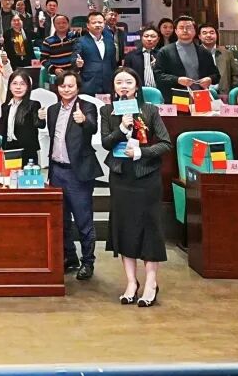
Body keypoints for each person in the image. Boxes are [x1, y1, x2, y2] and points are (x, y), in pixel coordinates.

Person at [100, 67, 172, 307]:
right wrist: (122, 128)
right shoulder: (107, 111)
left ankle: (151, 282)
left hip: (146, 177)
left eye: (128, 82)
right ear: (114, 87)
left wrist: (142, 152)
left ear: (137, 86)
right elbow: (106, 143)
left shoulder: (149, 110)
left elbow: (165, 143)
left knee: (149, 228)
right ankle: (131, 282)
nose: (124, 86)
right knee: (125, 228)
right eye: (119, 82)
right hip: (121, 177)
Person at [46, 69, 102, 280]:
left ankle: (88, 262)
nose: (66, 89)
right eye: (62, 86)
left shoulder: (86, 106)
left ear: (77, 87)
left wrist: (83, 121)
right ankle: (70, 257)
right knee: (61, 219)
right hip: (56, 171)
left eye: (70, 86)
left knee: (83, 220)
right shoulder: (52, 110)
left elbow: (92, 128)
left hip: (78, 173)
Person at [153, 15, 220, 103]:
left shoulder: (204, 52)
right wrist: (177, 80)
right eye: (181, 28)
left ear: (195, 31)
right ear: (176, 31)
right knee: (182, 112)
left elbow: (216, 75)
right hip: (177, 96)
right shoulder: (165, 51)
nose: (185, 30)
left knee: (204, 112)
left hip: (201, 96)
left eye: (188, 27)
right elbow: (158, 76)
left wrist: (209, 79)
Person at [0, 70, 44, 166]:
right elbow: (3, 129)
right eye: (15, 83)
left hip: (28, 150)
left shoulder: (33, 104)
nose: (18, 87)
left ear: (28, 87)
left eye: (22, 84)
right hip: (10, 149)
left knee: (28, 175)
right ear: (9, 86)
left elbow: (40, 125)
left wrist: (41, 117)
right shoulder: (5, 106)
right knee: (11, 175)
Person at [74, 11, 118, 95]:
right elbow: (74, 59)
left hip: (108, 85)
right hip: (89, 84)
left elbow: (113, 64)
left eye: (100, 22)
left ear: (104, 23)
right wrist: (77, 63)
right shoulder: (80, 41)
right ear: (88, 25)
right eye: (94, 22)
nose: (97, 25)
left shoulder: (110, 42)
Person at [198, 23, 238, 97]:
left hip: (224, 94)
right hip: (201, 94)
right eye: (204, 33)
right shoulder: (195, 53)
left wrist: (231, 93)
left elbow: (235, 75)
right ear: (199, 37)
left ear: (217, 35)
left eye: (212, 32)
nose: (208, 35)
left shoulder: (227, 53)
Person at [123, 27, 162, 92]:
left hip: (159, 92)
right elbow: (127, 76)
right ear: (141, 38)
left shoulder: (162, 55)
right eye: (146, 36)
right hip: (138, 92)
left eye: (153, 36)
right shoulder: (131, 56)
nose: (149, 39)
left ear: (158, 39)